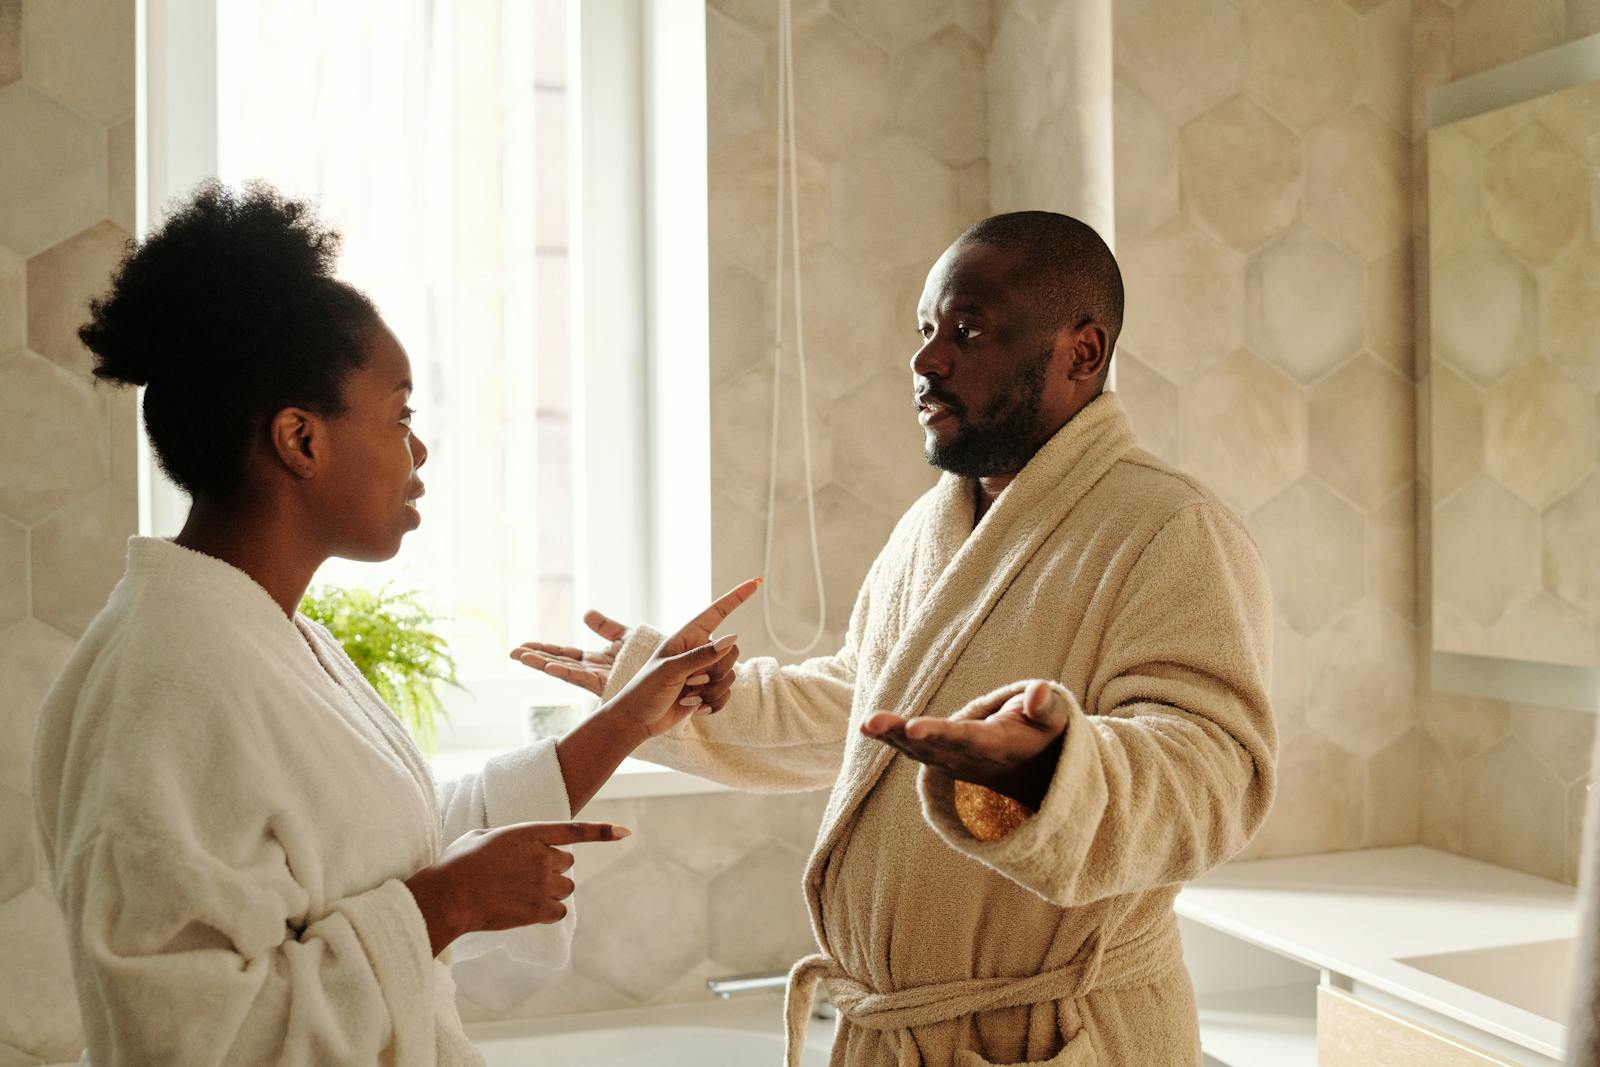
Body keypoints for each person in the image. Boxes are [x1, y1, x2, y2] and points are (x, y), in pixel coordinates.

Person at [514, 211, 1277, 1066]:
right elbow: (870, 705)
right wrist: (694, 701)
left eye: (969, 328)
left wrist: (1052, 773)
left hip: (1054, 1035)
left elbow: (1215, 771)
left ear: (1082, 351)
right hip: (897, 1032)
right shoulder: (934, 523)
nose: (926, 360)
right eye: (926, 328)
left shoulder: (1170, 526)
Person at [31, 181, 756, 1066]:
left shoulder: (265, 636)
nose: (420, 450)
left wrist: (628, 719)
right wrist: (444, 906)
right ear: (301, 439)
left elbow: (385, 851)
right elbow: (177, 1036)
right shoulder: (166, 679)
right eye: (401, 414)